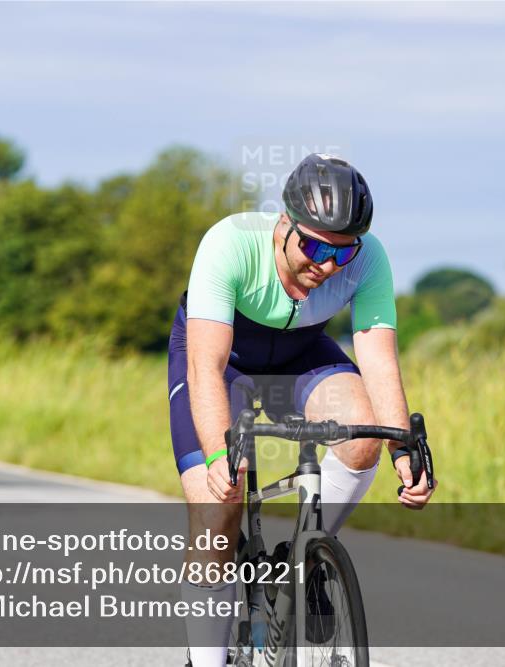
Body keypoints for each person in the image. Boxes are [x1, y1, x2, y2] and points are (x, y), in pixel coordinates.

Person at [168, 153, 436, 666]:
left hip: (300, 357)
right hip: (222, 365)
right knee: (217, 509)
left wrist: (404, 448)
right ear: (285, 222)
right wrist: (217, 455)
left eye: (342, 252)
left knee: (362, 439)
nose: (327, 265)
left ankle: (304, 558)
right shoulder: (230, 242)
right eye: (313, 246)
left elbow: (379, 360)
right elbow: (205, 365)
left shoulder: (369, 259)